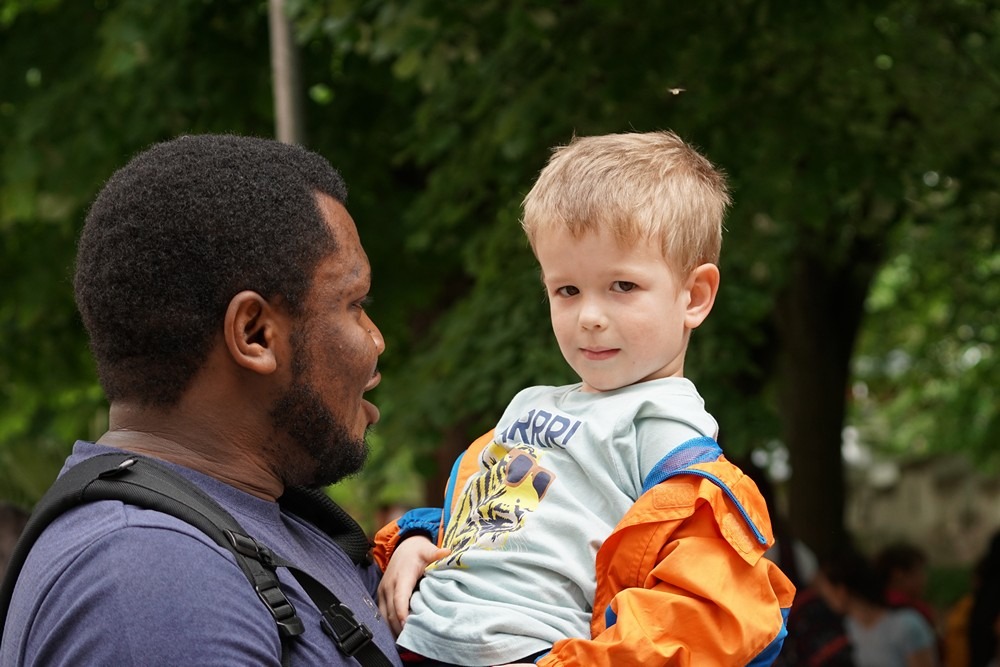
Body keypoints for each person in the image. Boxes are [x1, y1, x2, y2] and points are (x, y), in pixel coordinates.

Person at [374, 131, 795, 666]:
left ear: (694, 296)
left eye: (622, 286)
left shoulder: (667, 440)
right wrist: (416, 539)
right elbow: (506, 524)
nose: (590, 316)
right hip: (415, 635)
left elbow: (701, 616)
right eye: (567, 290)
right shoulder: (532, 406)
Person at [0, 135, 401, 666]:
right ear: (254, 334)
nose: (376, 340)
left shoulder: (263, 522)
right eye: (354, 304)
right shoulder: (152, 583)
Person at [815, 547, 939, 667]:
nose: (824, 598)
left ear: (841, 591)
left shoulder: (906, 626)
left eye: (826, 591)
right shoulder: (851, 626)